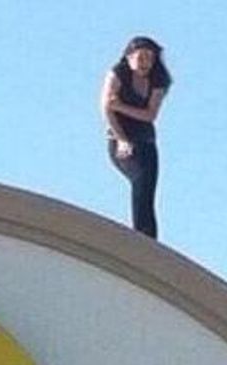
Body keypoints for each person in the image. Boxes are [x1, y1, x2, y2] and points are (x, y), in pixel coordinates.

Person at [100, 36, 172, 239]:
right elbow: (106, 108)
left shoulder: (158, 80)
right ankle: (139, 235)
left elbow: (150, 115)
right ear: (129, 57)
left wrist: (120, 105)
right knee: (138, 178)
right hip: (119, 136)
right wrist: (121, 139)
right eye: (141, 57)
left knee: (146, 187)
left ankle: (148, 238)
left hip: (145, 140)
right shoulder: (117, 73)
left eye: (150, 58)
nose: (145, 63)